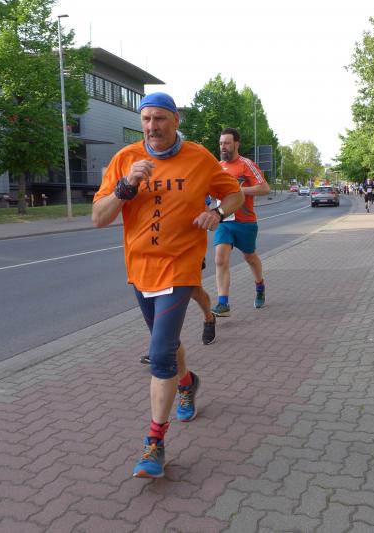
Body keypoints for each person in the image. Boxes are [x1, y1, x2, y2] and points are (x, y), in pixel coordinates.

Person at [91, 92, 244, 479]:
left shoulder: (198, 158)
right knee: (169, 346)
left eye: (159, 118)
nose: (152, 127)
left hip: (180, 267)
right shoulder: (125, 159)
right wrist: (126, 185)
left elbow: (234, 193)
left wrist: (216, 212)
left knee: (160, 354)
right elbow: (99, 217)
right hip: (140, 269)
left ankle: (154, 444)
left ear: (176, 120)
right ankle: (188, 383)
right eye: (146, 119)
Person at [211, 127, 271, 316]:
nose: (223, 147)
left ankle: (260, 286)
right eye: (221, 143)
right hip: (224, 220)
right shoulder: (217, 167)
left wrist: (238, 191)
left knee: (250, 257)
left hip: (245, 222)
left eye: (227, 143)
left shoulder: (247, 165)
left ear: (236, 144)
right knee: (220, 259)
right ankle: (223, 303)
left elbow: (265, 188)